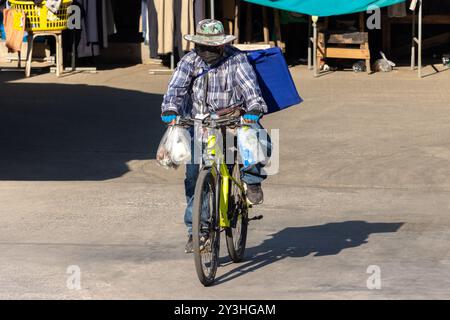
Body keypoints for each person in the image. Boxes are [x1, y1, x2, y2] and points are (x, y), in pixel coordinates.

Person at [160, 19, 269, 253]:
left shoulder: (237, 59)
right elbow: (175, 90)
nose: (207, 52)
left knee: (254, 138)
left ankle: (252, 181)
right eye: (202, 47)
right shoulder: (188, 62)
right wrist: (170, 110)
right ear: (197, 45)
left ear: (222, 46)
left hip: (233, 119)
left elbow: (252, 91)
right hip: (200, 122)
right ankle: (197, 232)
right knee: (193, 178)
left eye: (213, 48)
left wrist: (253, 110)